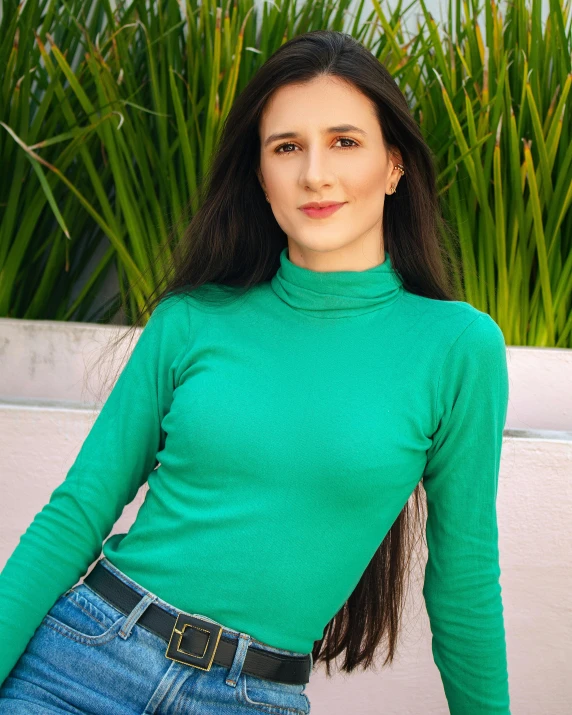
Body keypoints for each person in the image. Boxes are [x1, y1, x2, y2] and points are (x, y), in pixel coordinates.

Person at [0, 29, 511, 714]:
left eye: (345, 142)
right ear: (261, 175)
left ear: (395, 166)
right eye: (287, 147)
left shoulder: (459, 348)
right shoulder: (192, 320)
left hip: (251, 697)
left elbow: (464, 582)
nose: (315, 174)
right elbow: (77, 513)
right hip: (82, 660)